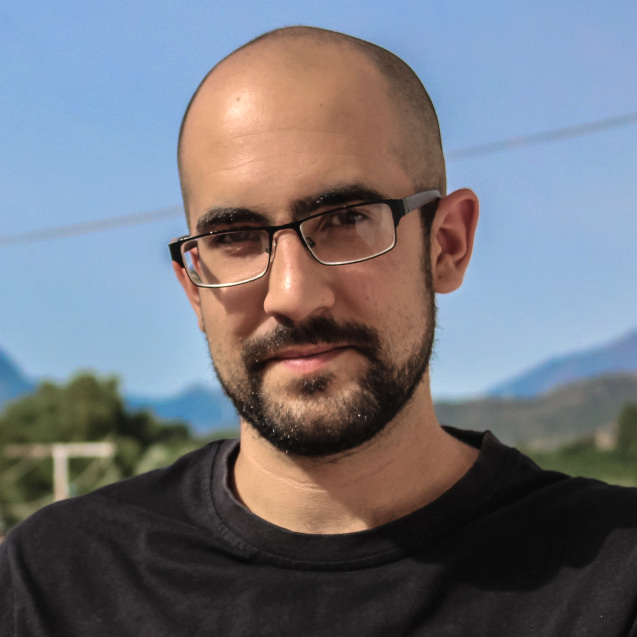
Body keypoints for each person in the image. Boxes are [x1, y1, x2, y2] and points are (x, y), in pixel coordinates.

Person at [2, 26, 637, 636]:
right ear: (195, 288)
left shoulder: (615, 579)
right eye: (234, 237)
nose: (292, 295)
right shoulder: (53, 585)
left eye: (346, 219)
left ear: (446, 244)